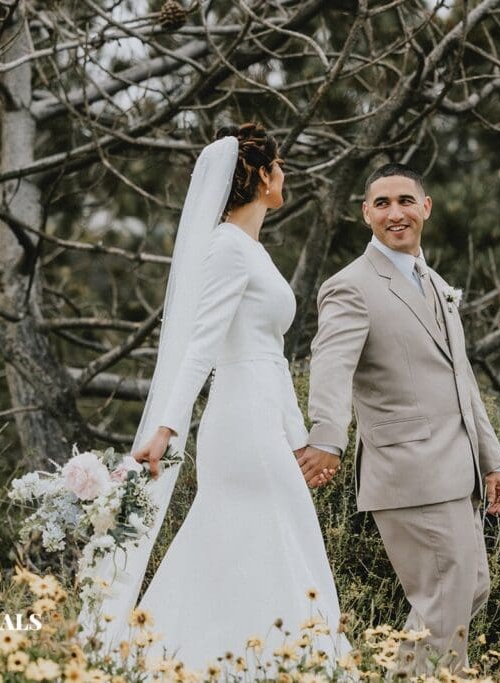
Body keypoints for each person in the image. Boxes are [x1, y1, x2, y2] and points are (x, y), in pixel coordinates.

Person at [127, 123, 348, 669]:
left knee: (250, 546)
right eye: (279, 165)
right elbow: (200, 348)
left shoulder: (252, 249)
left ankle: (209, 662)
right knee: (274, 543)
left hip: (265, 416)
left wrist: (298, 438)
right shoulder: (226, 247)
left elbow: (270, 357)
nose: (285, 174)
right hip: (242, 423)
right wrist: (167, 426)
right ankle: (279, 662)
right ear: (262, 177)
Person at [297, 162, 500, 669]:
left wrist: (491, 460)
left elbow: (463, 381)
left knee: (468, 591)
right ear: (365, 214)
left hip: (458, 471)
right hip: (409, 470)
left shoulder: (434, 282)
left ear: (426, 208)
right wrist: (326, 438)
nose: (396, 213)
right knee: (445, 604)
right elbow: (331, 366)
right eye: (383, 203)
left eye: (406, 201)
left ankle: (402, 673)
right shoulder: (350, 286)